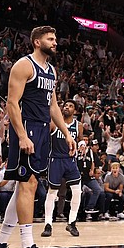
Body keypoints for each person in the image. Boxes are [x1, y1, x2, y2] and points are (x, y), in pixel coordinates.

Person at [0, 26, 75, 248]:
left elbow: (53, 107)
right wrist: (21, 136)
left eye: (56, 38)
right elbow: (11, 103)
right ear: (37, 42)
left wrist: (65, 132)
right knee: (28, 184)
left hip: (42, 131)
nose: (55, 42)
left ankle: (0, 245)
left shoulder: (50, 70)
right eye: (51, 39)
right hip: (27, 129)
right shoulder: (24, 65)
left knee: (24, 187)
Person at [41, 100, 83, 238]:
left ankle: (72, 222)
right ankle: (48, 224)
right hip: (56, 159)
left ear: (75, 111)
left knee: (77, 191)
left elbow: (81, 140)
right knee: (52, 192)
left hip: (70, 160)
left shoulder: (79, 126)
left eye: (70, 106)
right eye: (65, 105)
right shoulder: (54, 123)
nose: (67, 107)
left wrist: (82, 145)